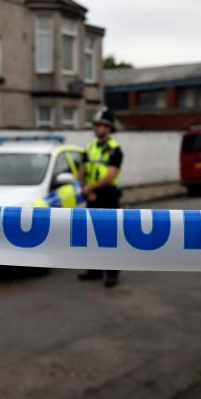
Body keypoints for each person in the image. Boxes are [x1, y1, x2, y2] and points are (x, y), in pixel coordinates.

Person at [78, 108, 124, 288]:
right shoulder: (89, 148)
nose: (95, 128)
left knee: (109, 237)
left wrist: (90, 188)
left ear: (109, 128)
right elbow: (81, 171)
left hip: (108, 196)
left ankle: (112, 274)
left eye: (99, 125)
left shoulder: (115, 150)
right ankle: (94, 271)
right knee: (91, 236)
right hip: (92, 195)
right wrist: (85, 189)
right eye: (95, 125)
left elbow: (110, 176)